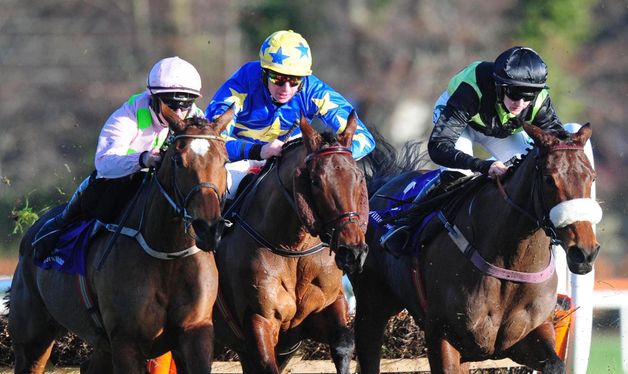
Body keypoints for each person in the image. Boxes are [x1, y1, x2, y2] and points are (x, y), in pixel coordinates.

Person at [379, 45, 572, 252]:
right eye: (515, 94)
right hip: (462, 124)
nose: (521, 103)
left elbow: (561, 146)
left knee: (529, 172)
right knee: (458, 175)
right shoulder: (472, 89)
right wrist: (482, 165)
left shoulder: (538, 101)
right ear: (500, 86)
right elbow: (438, 148)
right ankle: (404, 223)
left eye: (529, 96)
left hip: (501, 131)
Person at [33, 57, 204, 262]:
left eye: (184, 106)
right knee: (90, 196)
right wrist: (143, 159)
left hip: (169, 187)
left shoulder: (197, 117)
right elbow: (104, 163)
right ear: (154, 98)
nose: (178, 113)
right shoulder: (127, 115)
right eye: (171, 105)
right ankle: (55, 235)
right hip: (123, 181)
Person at [204, 30, 374, 198]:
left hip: (289, 158)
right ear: (264, 73)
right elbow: (210, 142)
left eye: (294, 80)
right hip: (239, 161)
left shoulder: (314, 91)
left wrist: (329, 157)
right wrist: (258, 150)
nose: (286, 89)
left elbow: (364, 137)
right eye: (278, 78)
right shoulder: (241, 84)